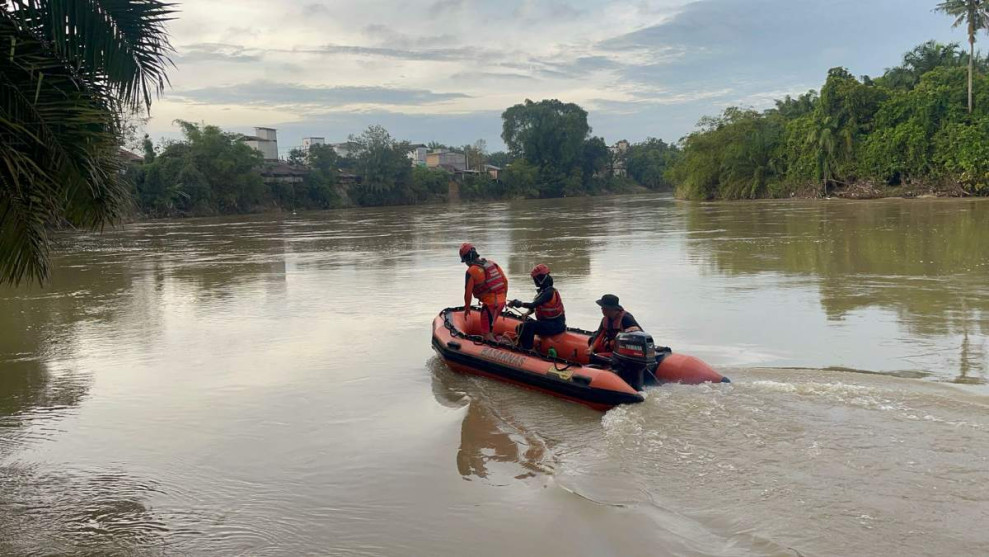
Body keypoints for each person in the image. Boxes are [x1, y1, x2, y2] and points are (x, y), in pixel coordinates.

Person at [508, 264, 566, 350]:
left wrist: (519, 303)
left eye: (535, 279)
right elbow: (535, 307)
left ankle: (528, 350)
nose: (534, 281)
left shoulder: (549, 293)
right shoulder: (543, 291)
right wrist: (527, 313)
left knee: (528, 326)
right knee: (520, 327)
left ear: (540, 279)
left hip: (556, 325)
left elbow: (533, 304)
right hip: (548, 323)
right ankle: (522, 345)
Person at [460, 242, 509, 341]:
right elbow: (505, 281)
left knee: (486, 334)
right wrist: (504, 297)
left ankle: (495, 353)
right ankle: (503, 342)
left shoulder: (471, 271)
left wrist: (467, 308)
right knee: (490, 329)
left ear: (466, 259)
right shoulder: (492, 263)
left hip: (490, 304)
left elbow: (468, 293)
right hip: (501, 302)